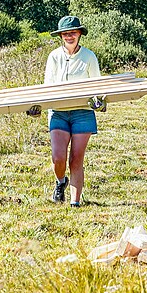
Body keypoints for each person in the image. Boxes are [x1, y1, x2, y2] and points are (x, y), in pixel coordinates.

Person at [27, 15, 104, 207]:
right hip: (58, 112)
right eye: (65, 33)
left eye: (73, 33)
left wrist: (99, 102)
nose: (69, 36)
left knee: (76, 159)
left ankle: (75, 202)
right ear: (61, 36)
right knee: (58, 157)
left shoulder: (89, 56)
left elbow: (98, 86)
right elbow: (48, 87)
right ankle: (60, 182)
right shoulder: (54, 56)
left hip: (82, 113)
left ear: (79, 34)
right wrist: (37, 107)